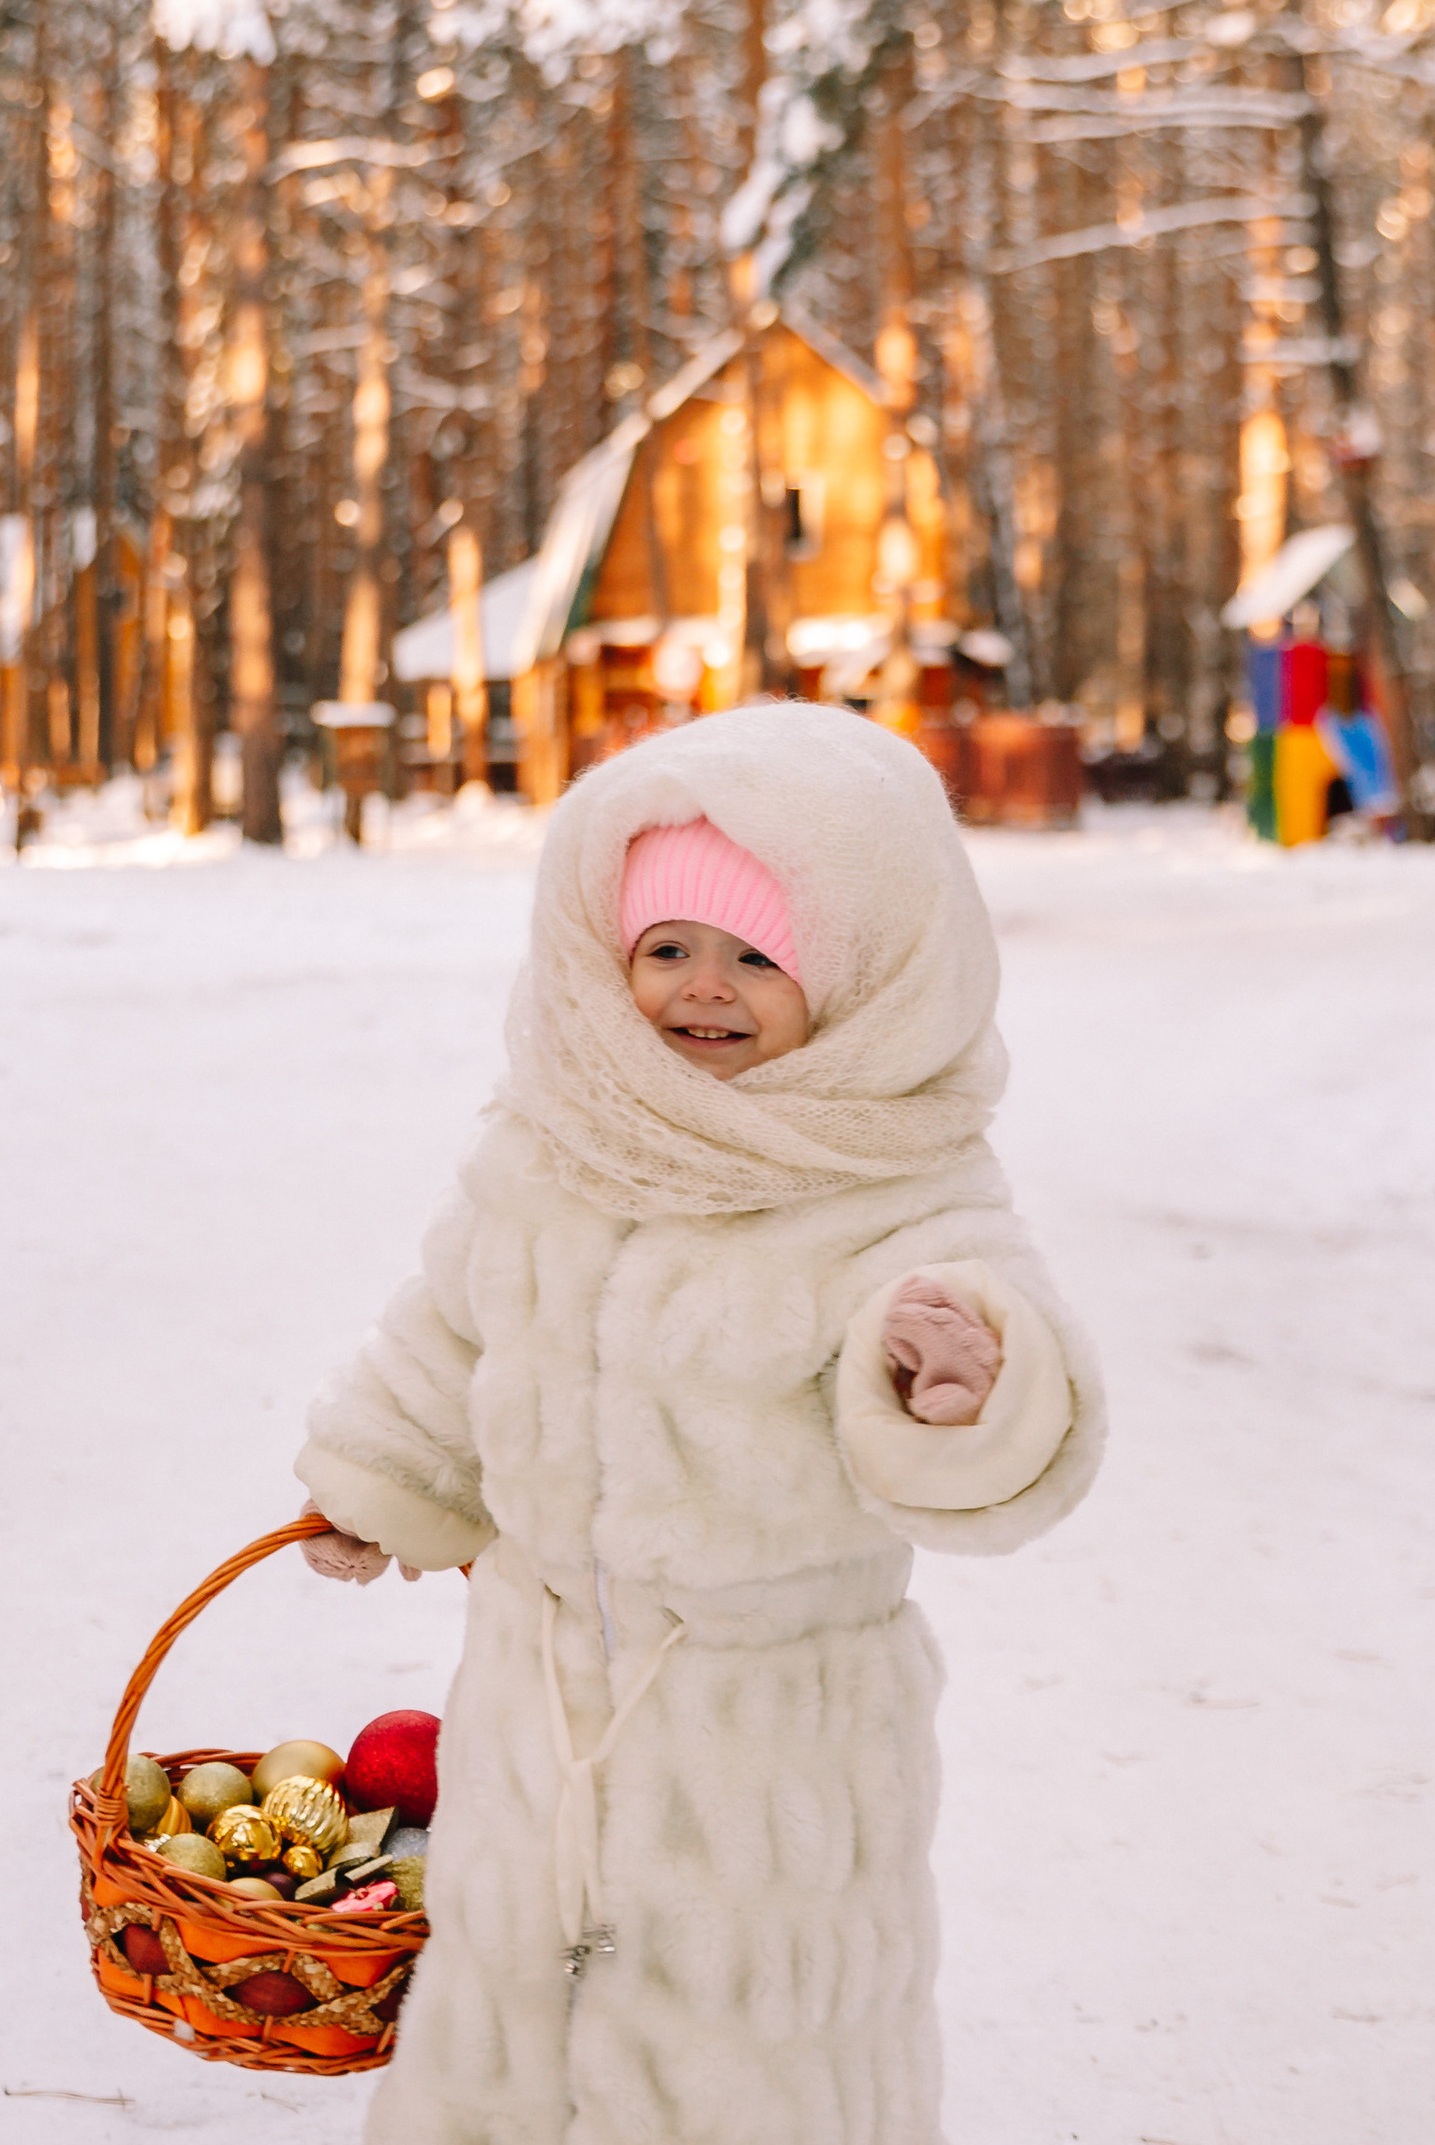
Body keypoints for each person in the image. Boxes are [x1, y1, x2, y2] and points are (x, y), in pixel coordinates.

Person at [294, 698, 1103, 2145]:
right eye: (668, 948)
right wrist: (382, 1476)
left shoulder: (893, 1177)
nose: (701, 990)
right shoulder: (560, 1138)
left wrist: (960, 1386)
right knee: (505, 2034)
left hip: (771, 1738)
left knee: (748, 2065)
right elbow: (456, 1323)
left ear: (853, 977)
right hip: (532, 1685)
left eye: (756, 957)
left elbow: (1004, 1379)